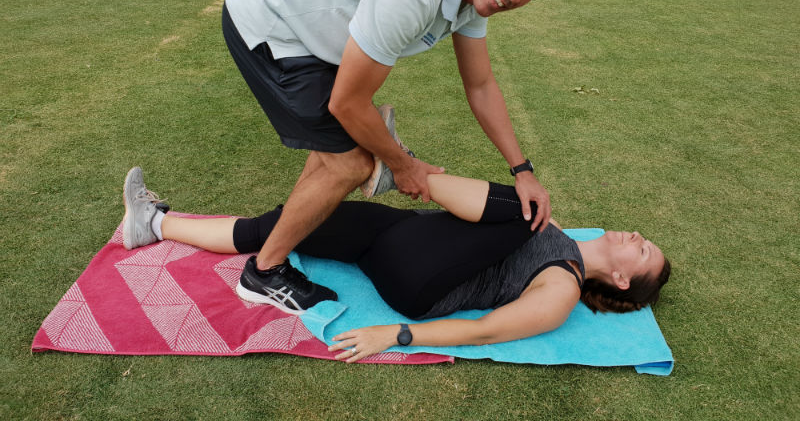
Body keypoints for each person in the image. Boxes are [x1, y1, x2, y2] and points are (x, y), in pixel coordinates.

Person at [222, 0, 579, 312]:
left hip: (311, 24)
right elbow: (347, 103)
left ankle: (291, 229)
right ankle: (264, 273)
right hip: (272, 23)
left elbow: (480, 85)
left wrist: (522, 169)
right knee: (352, 164)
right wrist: (402, 164)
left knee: (337, 148)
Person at [122, 166, 670, 363]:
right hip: (398, 234)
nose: (637, 236)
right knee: (284, 223)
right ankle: (152, 225)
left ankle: (401, 168)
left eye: (641, 250)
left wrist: (398, 335)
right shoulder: (557, 233)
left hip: (421, 284)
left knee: (520, 209)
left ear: (621, 280)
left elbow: (486, 329)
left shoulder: (563, 288)